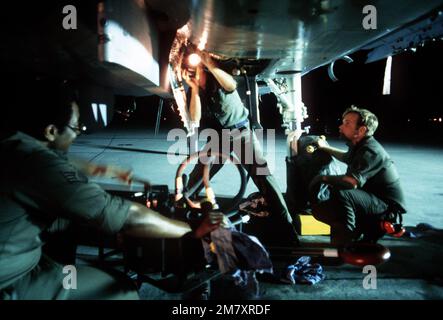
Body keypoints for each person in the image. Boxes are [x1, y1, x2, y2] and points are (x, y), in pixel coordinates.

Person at [0, 79, 223, 300]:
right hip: (12, 280)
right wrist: (193, 228)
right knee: (120, 289)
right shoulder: (39, 166)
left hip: (18, 256)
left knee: (71, 225)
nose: (78, 133)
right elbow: (128, 218)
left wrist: (103, 169)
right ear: (50, 131)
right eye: (77, 127)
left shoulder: (14, 144)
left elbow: (60, 162)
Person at [182, 51, 300, 247]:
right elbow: (194, 118)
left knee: (263, 177)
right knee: (197, 177)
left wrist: (209, 64)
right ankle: (185, 219)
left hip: (240, 133)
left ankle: (288, 228)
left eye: (195, 70)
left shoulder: (219, 79)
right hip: (218, 138)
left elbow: (232, 85)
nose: (192, 73)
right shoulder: (195, 91)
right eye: (189, 71)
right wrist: (194, 88)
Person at [310, 105, 406, 246]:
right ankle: (356, 231)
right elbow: (346, 157)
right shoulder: (360, 145)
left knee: (343, 192)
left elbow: (351, 182)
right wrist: (324, 147)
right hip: (372, 198)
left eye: (347, 123)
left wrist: (321, 178)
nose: (341, 127)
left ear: (361, 130)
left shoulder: (370, 151)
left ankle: (347, 239)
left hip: (386, 207)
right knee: (328, 204)